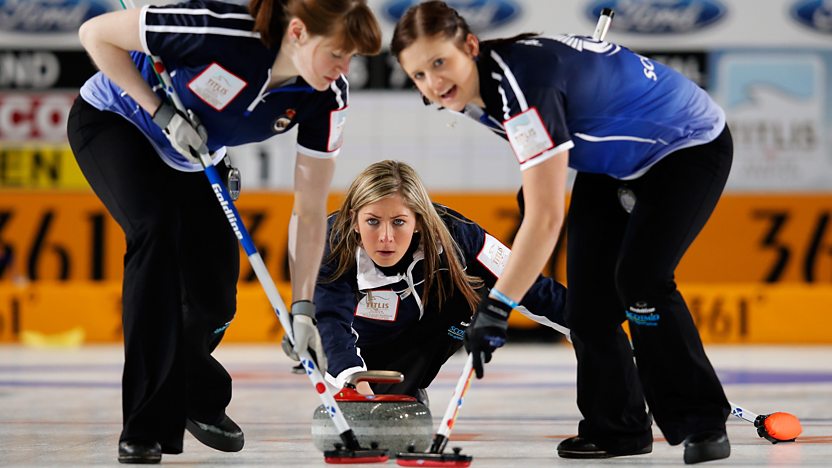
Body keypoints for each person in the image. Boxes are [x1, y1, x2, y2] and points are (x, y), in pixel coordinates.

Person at [390, 1, 733, 465]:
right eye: (418, 76)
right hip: (610, 162)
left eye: (439, 63)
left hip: (685, 145)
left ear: (470, 46)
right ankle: (618, 428)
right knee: (589, 302)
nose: (433, 83)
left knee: (641, 281)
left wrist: (498, 306)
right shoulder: (475, 90)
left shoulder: (521, 83)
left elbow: (547, 218)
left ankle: (701, 421)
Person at [67, 0, 380, 464]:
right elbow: (96, 34)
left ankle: (195, 390)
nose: (343, 68)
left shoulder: (325, 97)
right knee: (155, 235)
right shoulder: (219, 31)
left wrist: (304, 308)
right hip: (119, 120)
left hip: (195, 156)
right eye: (337, 52)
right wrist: (161, 112)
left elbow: (311, 210)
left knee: (215, 298)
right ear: (297, 32)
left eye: (351, 58)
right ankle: (145, 426)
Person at [310, 160, 567, 402]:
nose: (385, 237)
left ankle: (409, 386)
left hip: (431, 332)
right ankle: (381, 384)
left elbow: (527, 285)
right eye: (372, 221)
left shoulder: (457, 234)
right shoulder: (332, 243)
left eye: (399, 222)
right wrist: (352, 378)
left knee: (468, 294)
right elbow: (330, 320)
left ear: (419, 220)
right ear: (355, 220)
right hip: (359, 341)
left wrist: (592, 327)